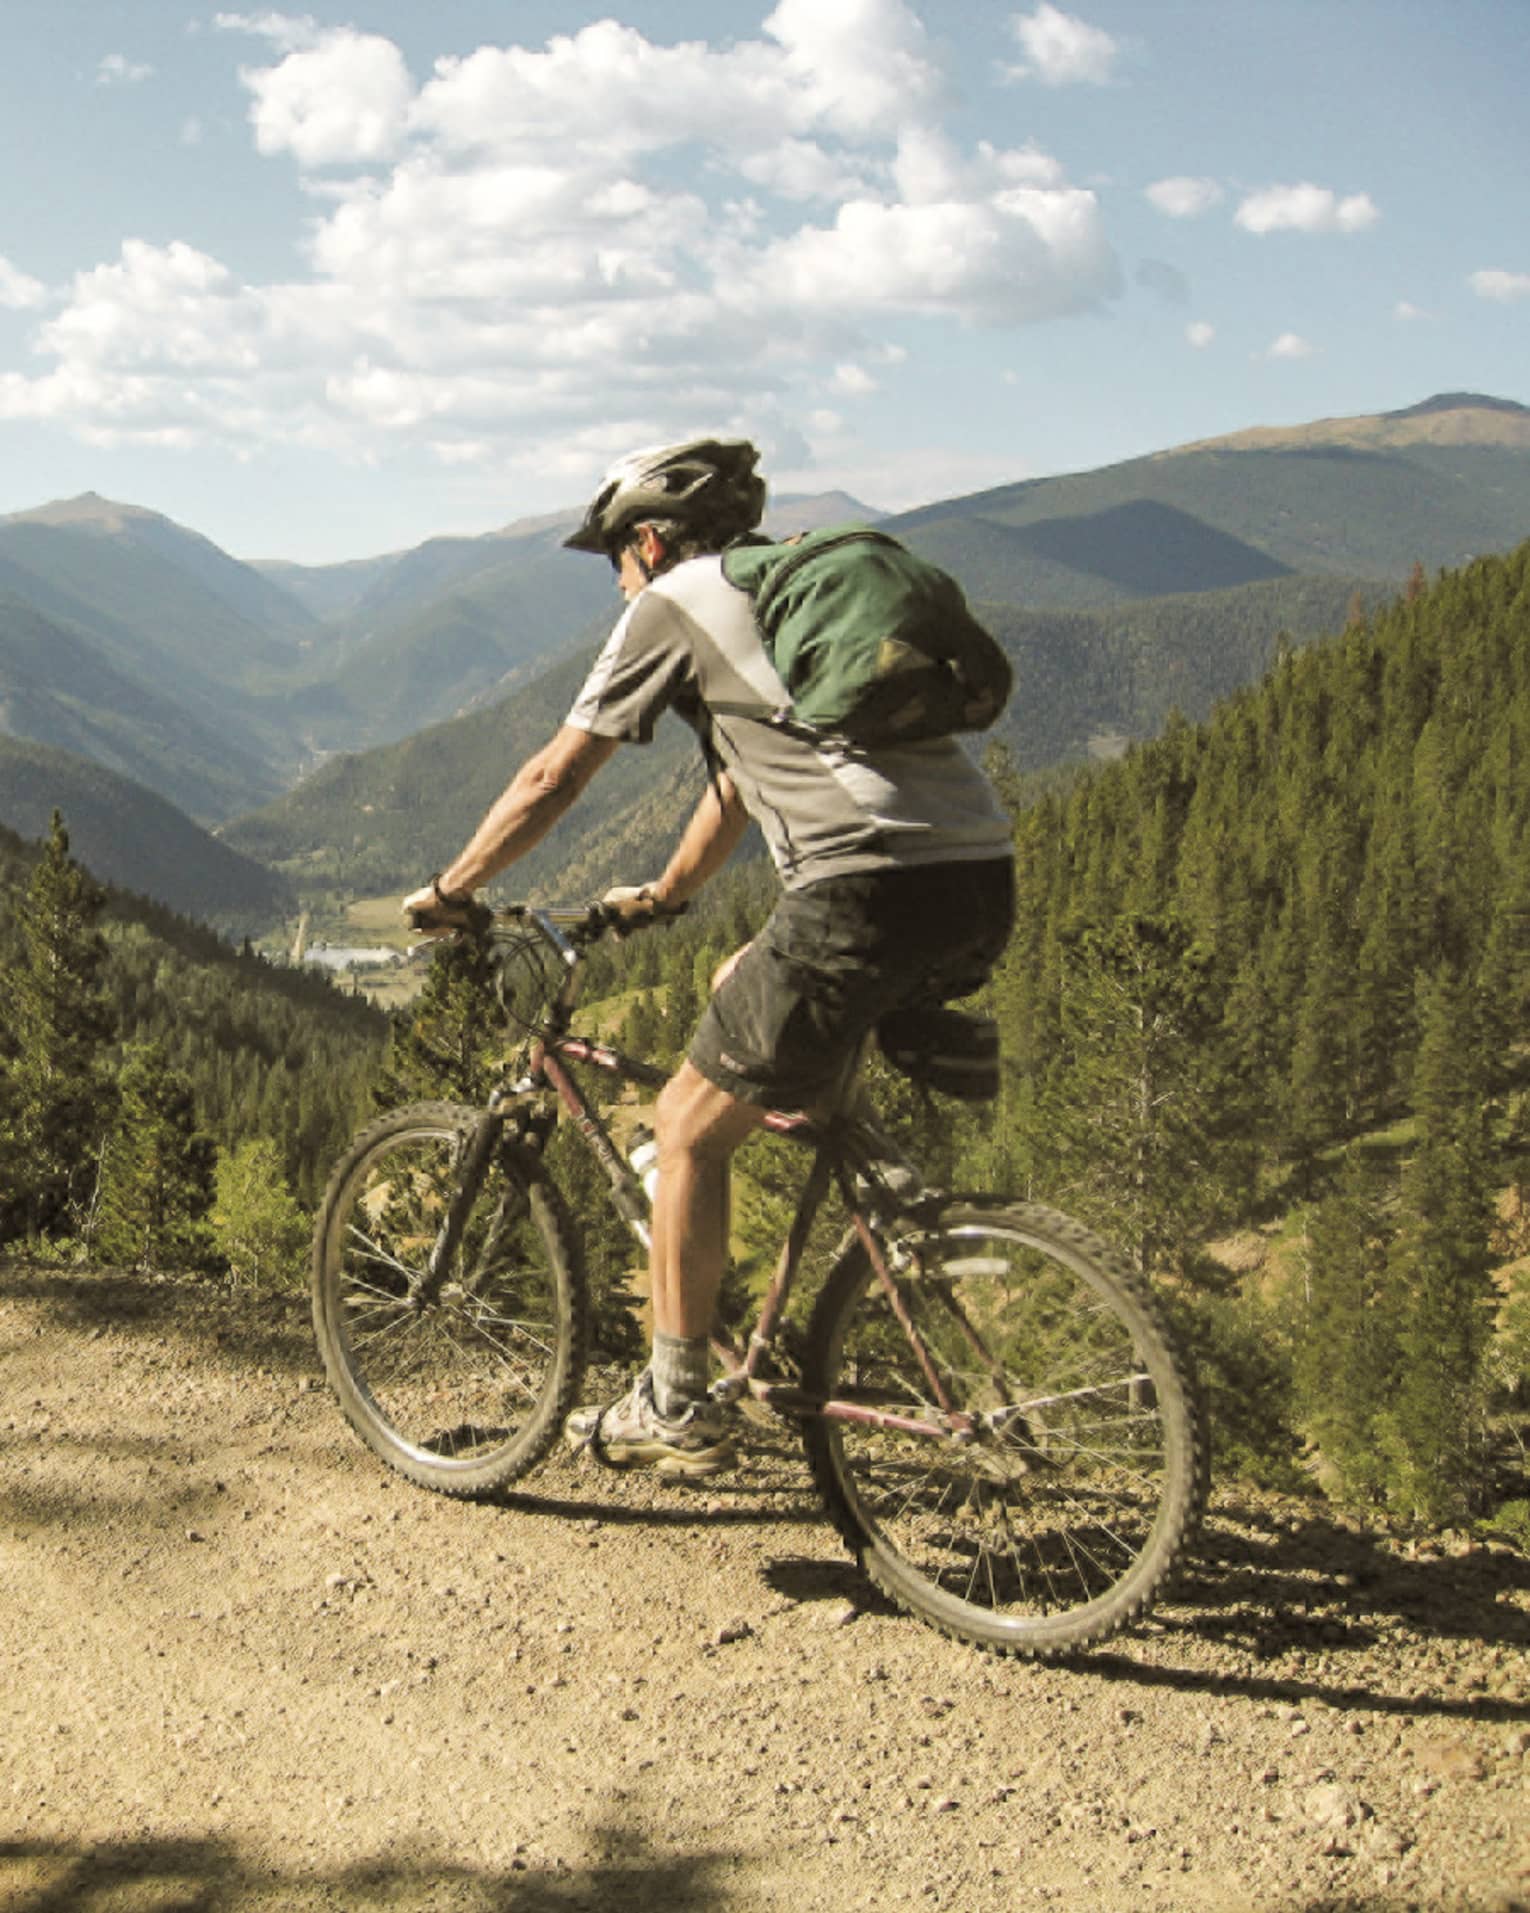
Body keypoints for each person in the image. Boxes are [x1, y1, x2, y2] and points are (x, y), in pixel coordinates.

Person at [403, 437, 1014, 1478]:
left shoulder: (674, 600)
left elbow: (557, 773)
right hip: (978, 879)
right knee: (741, 980)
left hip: (860, 886)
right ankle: (876, 1182)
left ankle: (678, 1400)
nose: (618, 583)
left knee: (685, 1126)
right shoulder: (782, 611)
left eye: (615, 561)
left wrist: (455, 888)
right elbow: (739, 779)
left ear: (647, 540)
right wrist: (665, 895)